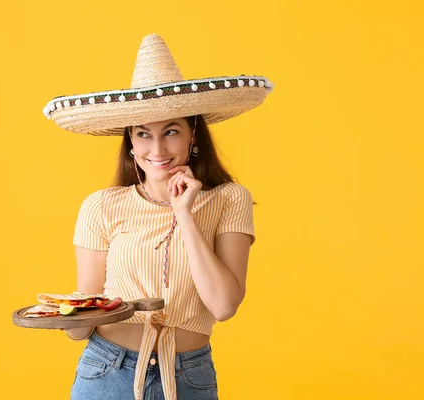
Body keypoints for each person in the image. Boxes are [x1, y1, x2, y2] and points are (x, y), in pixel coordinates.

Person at [42, 33, 273, 400]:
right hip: (107, 371)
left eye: (171, 131)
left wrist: (185, 214)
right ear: (131, 144)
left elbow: (224, 305)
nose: (158, 149)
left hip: (188, 375)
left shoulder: (229, 199)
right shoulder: (101, 205)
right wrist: (66, 317)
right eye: (143, 134)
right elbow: (82, 319)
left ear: (192, 134)